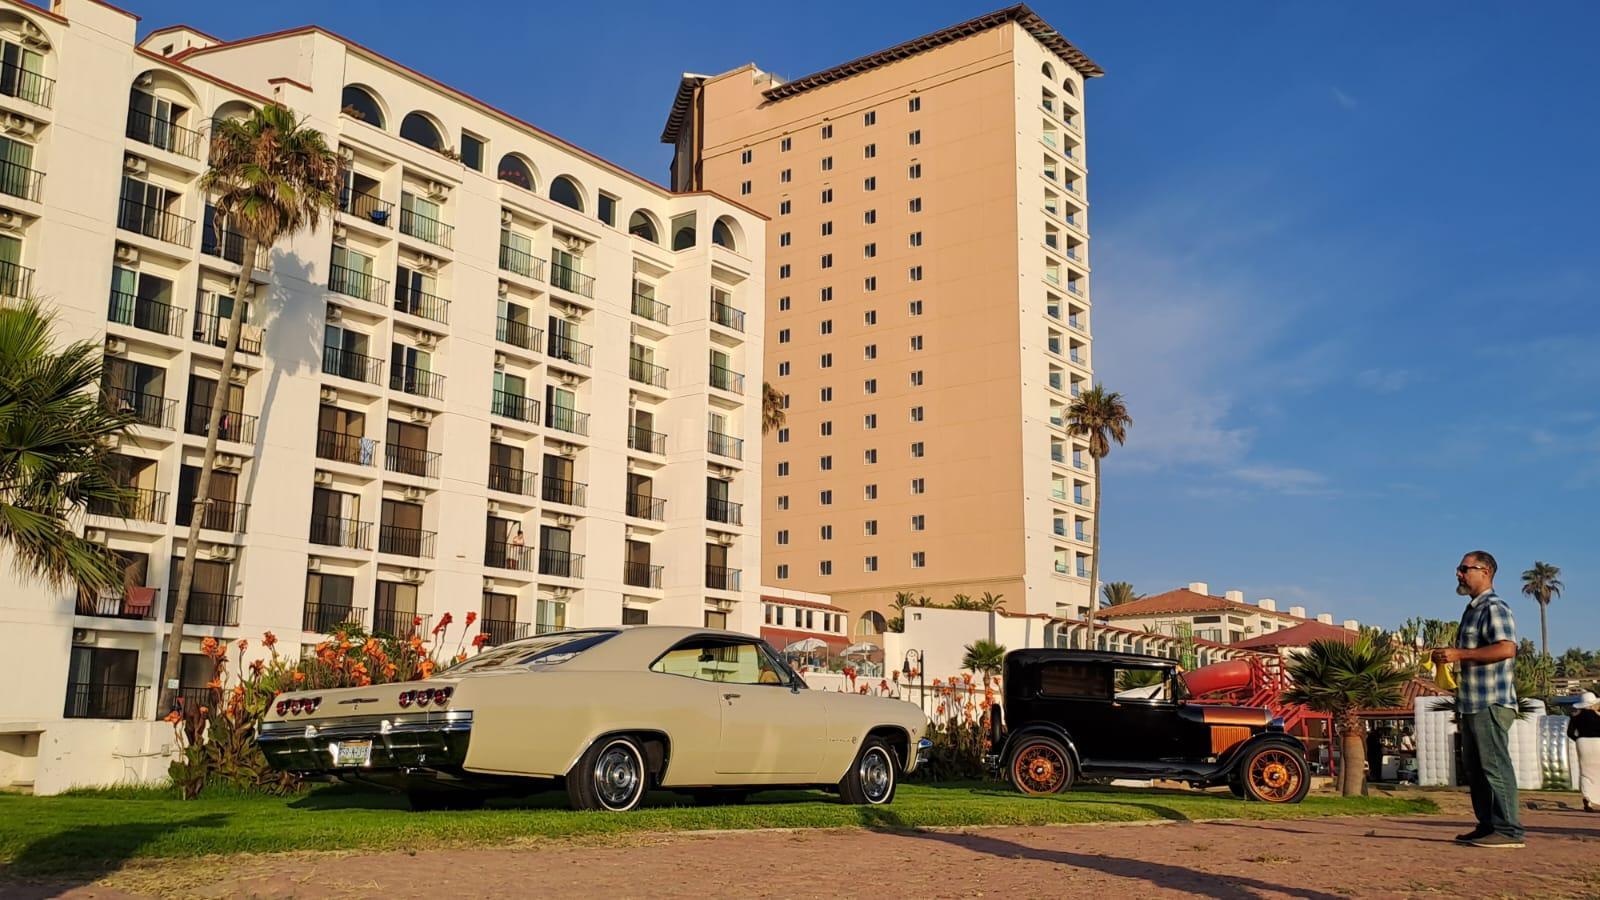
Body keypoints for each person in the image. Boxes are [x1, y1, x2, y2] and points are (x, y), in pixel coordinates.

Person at [1432, 550, 1525, 848]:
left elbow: (1506, 648)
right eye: (1458, 569)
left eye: (1463, 569)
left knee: (1494, 765)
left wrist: (1459, 654)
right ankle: (1488, 825)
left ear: (1484, 571)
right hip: (1471, 702)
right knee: (1475, 767)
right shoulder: (1471, 609)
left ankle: (1509, 830)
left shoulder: (1495, 607)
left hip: (1492, 701)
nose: (1458, 574)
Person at [1569, 692, 1600, 812]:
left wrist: (1578, 740)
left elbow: (1570, 733)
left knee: (1585, 773)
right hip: (1598, 743)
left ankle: (1587, 798)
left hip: (1582, 744)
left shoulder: (1575, 717)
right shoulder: (1598, 717)